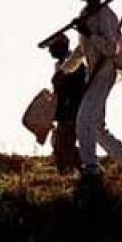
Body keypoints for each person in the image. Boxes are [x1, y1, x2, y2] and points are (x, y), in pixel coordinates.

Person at [62, 0, 122, 178]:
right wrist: (65, 70)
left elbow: (111, 49)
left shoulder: (106, 16)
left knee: (84, 119)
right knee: (97, 126)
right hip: (93, 71)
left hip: (104, 71)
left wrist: (89, 32)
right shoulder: (85, 13)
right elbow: (81, 50)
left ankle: (90, 167)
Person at [47, 33, 85, 175]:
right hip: (64, 111)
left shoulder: (74, 63)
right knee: (60, 146)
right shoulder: (60, 64)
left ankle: (84, 173)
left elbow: (75, 89)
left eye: (53, 47)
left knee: (65, 146)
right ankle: (71, 174)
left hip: (72, 110)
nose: (50, 51)